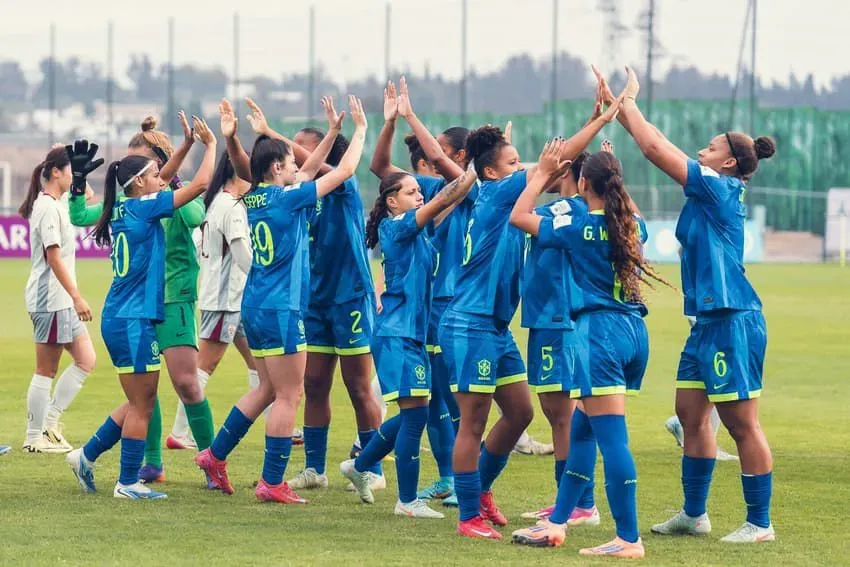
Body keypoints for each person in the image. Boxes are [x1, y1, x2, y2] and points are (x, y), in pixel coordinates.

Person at [603, 66, 776, 543]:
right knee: (691, 413)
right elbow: (661, 144)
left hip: (733, 319)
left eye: (712, 147)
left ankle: (760, 523)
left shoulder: (718, 189)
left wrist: (629, 103)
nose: (702, 150)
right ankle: (695, 514)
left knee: (742, 424)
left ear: (726, 164)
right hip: (707, 323)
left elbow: (656, 148)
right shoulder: (710, 188)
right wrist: (621, 112)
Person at [439, 106, 616, 540]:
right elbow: (558, 161)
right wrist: (601, 117)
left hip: (493, 326)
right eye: (514, 163)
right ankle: (468, 515)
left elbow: (557, 168)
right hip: (469, 322)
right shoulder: (498, 194)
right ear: (493, 173)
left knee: (519, 412)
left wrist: (597, 125)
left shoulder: (497, 194)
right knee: (473, 421)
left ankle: (479, 491)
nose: (524, 168)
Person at [195, 96, 370, 504]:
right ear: (277, 168)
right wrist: (358, 132)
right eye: (290, 163)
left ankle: (215, 455)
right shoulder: (289, 199)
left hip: (254, 305)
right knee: (290, 395)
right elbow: (344, 171)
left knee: (267, 390)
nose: (298, 168)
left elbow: (308, 169)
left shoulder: (253, 197)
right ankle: (272, 481)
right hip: (283, 308)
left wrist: (330, 134)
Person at [510, 137, 667, 558]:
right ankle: (558, 522)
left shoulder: (577, 228)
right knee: (582, 431)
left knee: (612, 440)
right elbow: (625, 207)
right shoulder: (632, 224)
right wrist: (607, 165)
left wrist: (542, 172)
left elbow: (519, 216)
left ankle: (629, 539)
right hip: (633, 331)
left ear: (582, 184)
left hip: (598, 335)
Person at [65, 117, 217, 500]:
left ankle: (87, 455)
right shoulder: (144, 210)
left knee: (139, 399)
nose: (161, 180)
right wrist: (211, 145)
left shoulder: (126, 208)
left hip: (127, 315)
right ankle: (127, 481)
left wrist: (181, 147)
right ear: (139, 183)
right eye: (154, 175)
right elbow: (199, 185)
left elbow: (164, 179)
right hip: (133, 319)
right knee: (143, 401)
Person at [341, 167, 477, 518]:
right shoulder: (397, 226)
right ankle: (407, 501)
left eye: (420, 191)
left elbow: (450, 201)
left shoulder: (416, 231)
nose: (420, 195)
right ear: (391, 201)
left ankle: (361, 465)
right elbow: (444, 197)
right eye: (412, 191)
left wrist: (468, 184)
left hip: (411, 334)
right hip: (397, 334)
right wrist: (475, 167)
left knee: (417, 413)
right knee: (416, 417)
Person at [275, 98, 384, 494]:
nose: (293, 156)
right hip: (315, 301)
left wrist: (274, 135)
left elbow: (319, 164)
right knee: (316, 385)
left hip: (350, 297)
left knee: (358, 387)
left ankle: (371, 466)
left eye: (298, 148)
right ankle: (314, 469)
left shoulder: (343, 186)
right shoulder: (297, 195)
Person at [19, 142, 100, 453]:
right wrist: (77, 296)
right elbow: (54, 258)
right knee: (46, 370)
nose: (73, 177)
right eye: (68, 171)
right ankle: (34, 437)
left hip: (60, 301)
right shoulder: (47, 207)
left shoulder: (60, 200)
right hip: (50, 300)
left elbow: (88, 198)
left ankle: (50, 423)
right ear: (55, 173)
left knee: (86, 359)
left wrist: (78, 174)